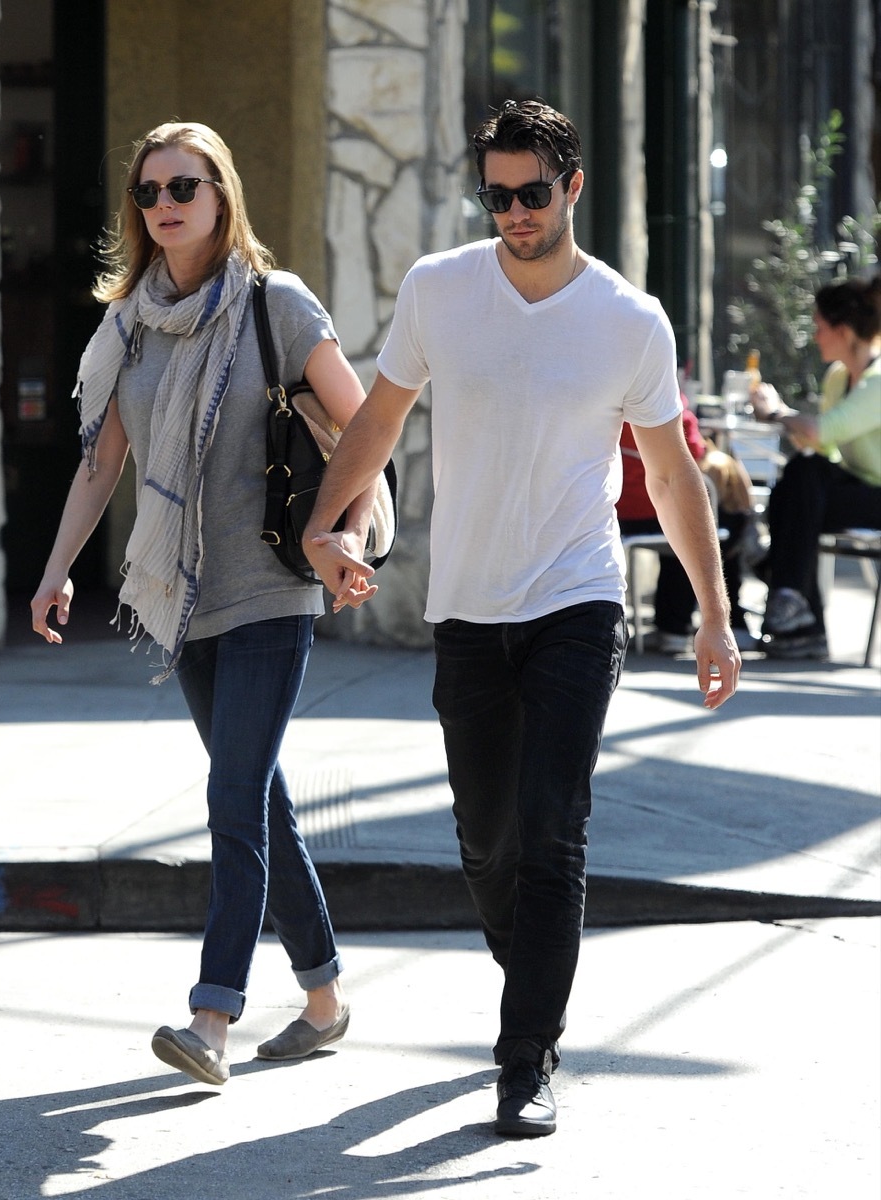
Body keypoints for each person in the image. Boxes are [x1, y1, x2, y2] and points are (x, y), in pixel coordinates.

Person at [302, 99, 740, 1138]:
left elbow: (674, 480)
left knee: (554, 835)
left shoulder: (629, 319)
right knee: (485, 844)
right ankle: (534, 965)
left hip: (576, 602)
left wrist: (715, 616)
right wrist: (328, 527)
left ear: (573, 188)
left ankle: (524, 1054)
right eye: (496, 196)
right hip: (467, 606)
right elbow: (377, 419)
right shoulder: (439, 290)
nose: (514, 214)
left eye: (533, 194)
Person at [30, 121, 365, 1086]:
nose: (165, 203)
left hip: (270, 590)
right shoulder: (131, 323)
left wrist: (335, 531)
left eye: (184, 184)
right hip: (184, 597)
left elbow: (364, 427)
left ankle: (212, 1015)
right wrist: (56, 571)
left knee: (229, 796)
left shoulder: (278, 306)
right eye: (149, 192)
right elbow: (103, 466)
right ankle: (326, 998)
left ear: (222, 193)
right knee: (259, 798)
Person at [751, 275, 881, 659]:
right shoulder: (838, 377)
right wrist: (788, 424)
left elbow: (824, 429)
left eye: (820, 328)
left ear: (844, 331)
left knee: (800, 492)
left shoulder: (878, 379)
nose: (816, 336)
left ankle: (788, 596)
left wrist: (776, 412)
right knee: (803, 475)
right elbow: (822, 444)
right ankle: (792, 606)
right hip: (857, 483)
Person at [618, 398, 758, 653]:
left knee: (688, 519)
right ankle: (727, 618)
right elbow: (688, 461)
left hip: (617, 510)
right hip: (652, 507)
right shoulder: (665, 400)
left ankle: (671, 624)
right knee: (718, 518)